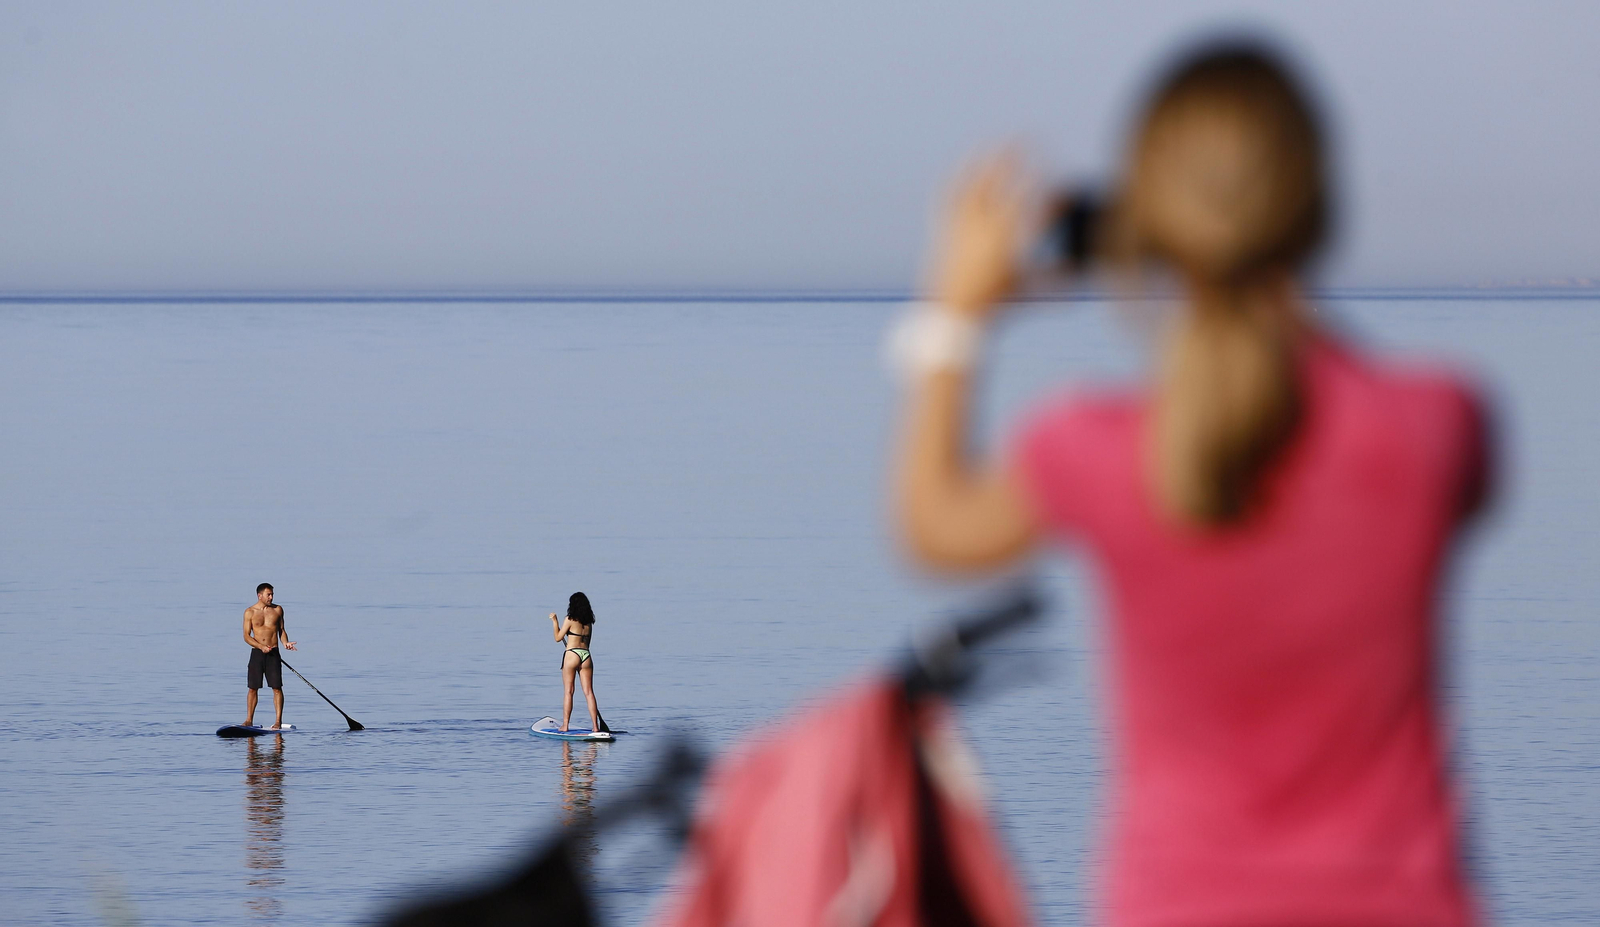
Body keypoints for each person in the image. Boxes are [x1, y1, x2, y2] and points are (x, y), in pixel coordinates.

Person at [891, 43, 1489, 926]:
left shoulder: (1095, 449)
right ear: (1317, 211)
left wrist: (955, 319)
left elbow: (934, 521)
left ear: (1149, 220)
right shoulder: (1439, 428)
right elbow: (1326, 397)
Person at [243, 582, 297, 730]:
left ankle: (278, 721)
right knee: (253, 688)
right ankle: (249, 720)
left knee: (277, 687)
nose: (271, 597)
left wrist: (285, 643)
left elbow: (282, 630)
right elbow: (246, 636)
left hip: (273, 653)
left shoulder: (278, 610)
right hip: (257, 653)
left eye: (272, 594)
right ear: (259, 595)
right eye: (268, 594)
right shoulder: (250, 612)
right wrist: (261, 647)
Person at [549, 592, 605, 733]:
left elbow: (557, 638)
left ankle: (565, 725)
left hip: (572, 655)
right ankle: (595, 726)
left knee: (569, 691)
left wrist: (555, 621)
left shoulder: (569, 619)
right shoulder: (589, 623)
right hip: (586, 656)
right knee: (589, 692)